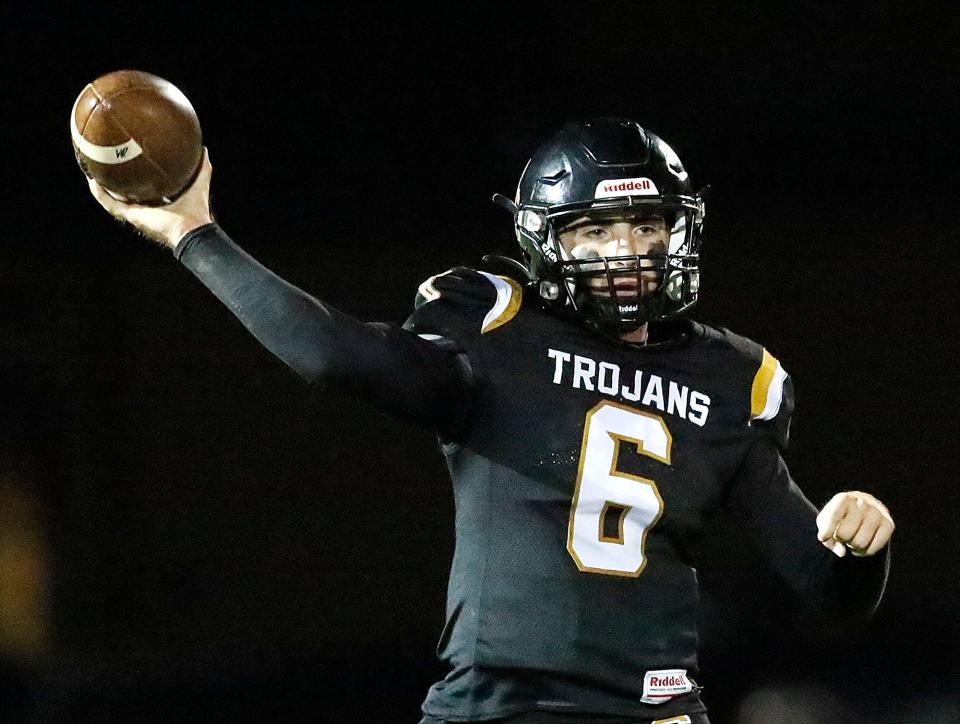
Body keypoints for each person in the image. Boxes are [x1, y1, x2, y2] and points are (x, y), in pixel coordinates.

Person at [85, 117, 894, 724]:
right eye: (597, 230)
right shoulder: (497, 326)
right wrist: (196, 234)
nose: (627, 251)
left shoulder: (734, 377)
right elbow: (336, 356)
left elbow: (830, 590)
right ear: (543, 241)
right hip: (503, 705)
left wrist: (861, 543)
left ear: (682, 230)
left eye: (647, 225)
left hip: (655, 713)